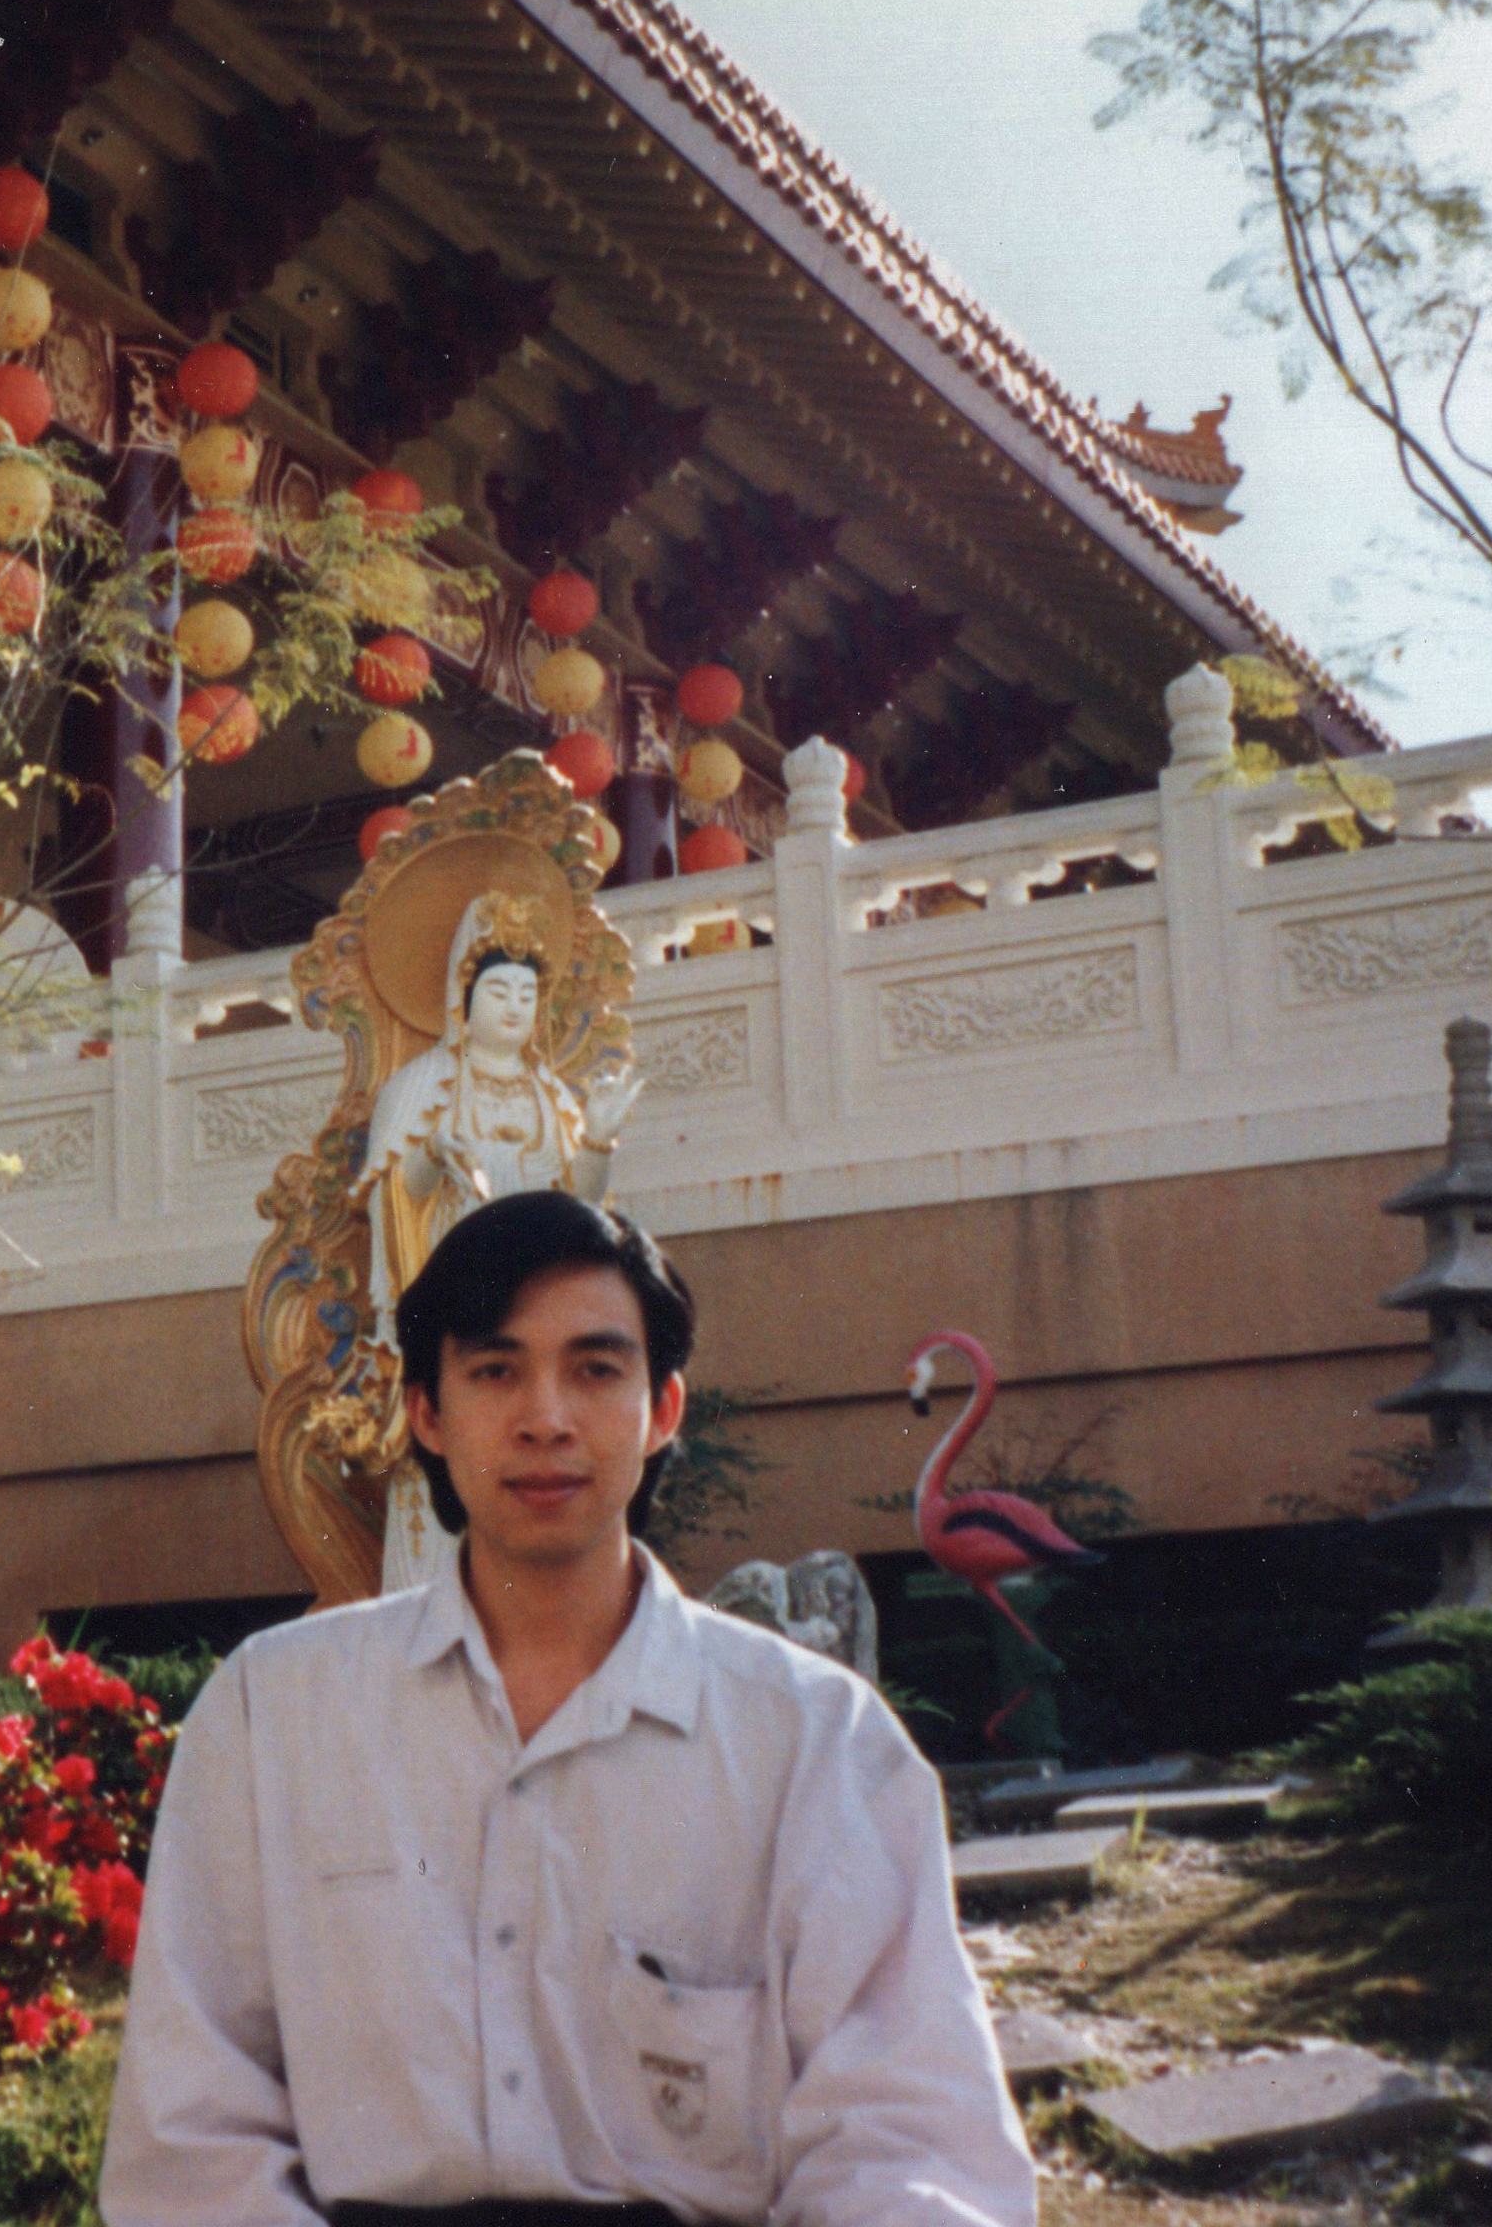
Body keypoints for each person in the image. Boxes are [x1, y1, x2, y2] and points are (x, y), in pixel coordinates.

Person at [104, 1190, 1032, 2227]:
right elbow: (189, 2138)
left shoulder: (812, 1739)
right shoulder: (271, 1714)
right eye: (494, 1370)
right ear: (425, 1412)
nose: (545, 1417)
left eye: (594, 1368)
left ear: (661, 1408)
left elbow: (911, 2147)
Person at [353, 892, 644, 1593]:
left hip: (546, 1316)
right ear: (463, 998)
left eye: (526, 994)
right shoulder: (420, 1087)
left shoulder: (556, 1097)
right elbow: (388, 1197)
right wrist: (430, 1155)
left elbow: (583, 1211)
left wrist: (598, 1136)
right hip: (461, 1317)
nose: (514, 1007)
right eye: (498, 990)